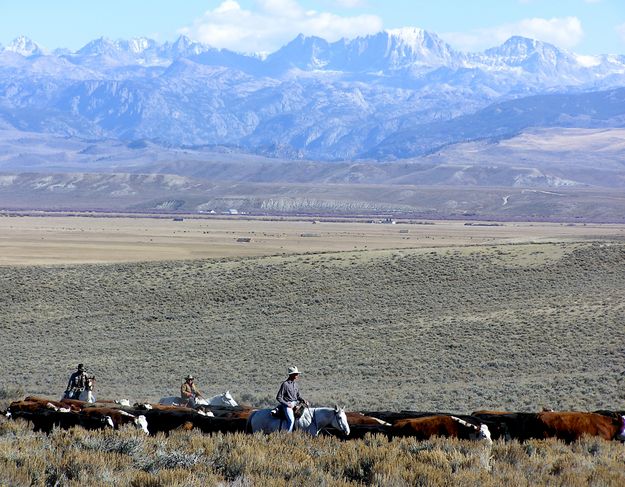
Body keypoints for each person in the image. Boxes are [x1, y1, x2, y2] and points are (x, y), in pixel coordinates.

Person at [275, 365, 308, 432]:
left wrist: (303, 400)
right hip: (288, 405)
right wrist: (287, 404)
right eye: (295, 374)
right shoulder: (285, 384)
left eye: (297, 374)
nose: (297, 375)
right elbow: (279, 397)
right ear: (291, 375)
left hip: (296, 403)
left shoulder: (295, 384)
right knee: (291, 420)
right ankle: (288, 435)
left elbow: (298, 396)